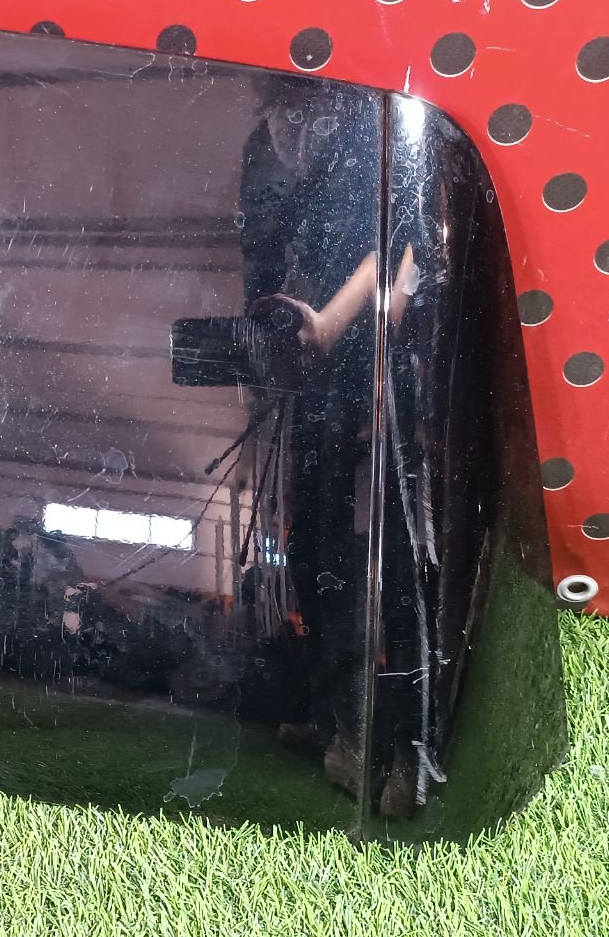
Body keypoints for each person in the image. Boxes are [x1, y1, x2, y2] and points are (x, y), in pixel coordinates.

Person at [237, 75, 420, 814]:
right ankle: (337, 718)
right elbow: (270, 260)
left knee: (371, 558)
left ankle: (382, 740)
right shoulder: (289, 169)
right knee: (312, 546)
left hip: (373, 385)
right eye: (276, 110)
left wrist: (331, 327)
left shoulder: (371, 143)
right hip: (320, 391)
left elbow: (395, 253)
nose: (284, 127)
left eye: (294, 106)